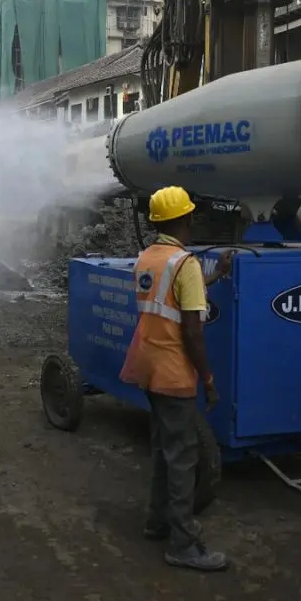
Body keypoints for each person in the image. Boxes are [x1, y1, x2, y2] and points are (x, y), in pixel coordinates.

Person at [119, 186, 232, 573]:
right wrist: (209, 378)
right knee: (182, 457)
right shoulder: (184, 264)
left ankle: (157, 520)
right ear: (185, 219)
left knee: (163, 448)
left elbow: (172, 299)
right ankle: (182, 544)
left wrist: (214, 274)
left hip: (147, 362)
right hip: (172, 367)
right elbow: (192, 330)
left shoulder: (149, 258)